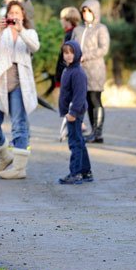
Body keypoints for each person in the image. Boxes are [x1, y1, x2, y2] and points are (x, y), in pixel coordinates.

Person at [0, 0, 40, 180]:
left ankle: (19, 168)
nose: (14, 16)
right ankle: (4, 157)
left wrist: (21, 30)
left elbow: (35, 47)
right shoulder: (0, 31)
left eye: (17, 12)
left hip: (20, 84)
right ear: (6, 15)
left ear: (23, 15)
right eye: (11, 13)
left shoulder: (29, 32)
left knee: (19, 125)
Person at [71, 0, 110, 143]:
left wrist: (85, 56)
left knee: (95, 98)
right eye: (84, 11)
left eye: (89, 11)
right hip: (80, 71)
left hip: (95, 70)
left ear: (95, 12)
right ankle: (93, 132)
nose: (86, 14)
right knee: (87, 100)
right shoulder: (78, 30)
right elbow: (72, 46)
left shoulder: (101, 29)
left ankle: (98, 133)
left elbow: (103, 49)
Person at [58, 40, 93, 184]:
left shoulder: (78, 72)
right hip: (71, 111)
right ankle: (86, 172)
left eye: (71, 52)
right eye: (65, 53)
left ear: (77, 53)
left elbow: (80, 95)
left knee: (74, 143)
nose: (68, 55)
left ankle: (76, 173)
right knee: (79, 141)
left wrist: (72, 113)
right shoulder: (68, 70)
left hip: (75, 112)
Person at [55, 7, 81, 88]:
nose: (60, 21)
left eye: (62, 19)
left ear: (67, 20)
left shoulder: (72, 35)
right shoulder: (69, 33)